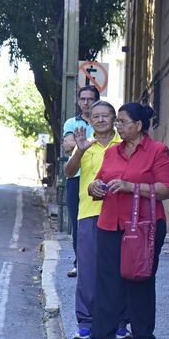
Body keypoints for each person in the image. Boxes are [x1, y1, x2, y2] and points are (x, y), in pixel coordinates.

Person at [81, 103, 169, 339]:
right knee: (107, 280)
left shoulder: (158, 151)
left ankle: (144, 336)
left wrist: (130, 186)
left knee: (141, 279)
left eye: (122, 122)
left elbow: (167, 189)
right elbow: (98, 179)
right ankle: (102, 335)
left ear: (138, 126)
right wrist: (95, 188)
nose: (118, 126)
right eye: (118, 122)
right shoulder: (112, 152)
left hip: (144, 225)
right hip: (109, 222)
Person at [64, 100, 131, 339]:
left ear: (114, 119)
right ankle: (86, 321)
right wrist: (80, 150)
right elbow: (69, 172)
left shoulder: (124, 144)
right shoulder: (84, 144)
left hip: (120, 211)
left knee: (121, 268)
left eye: (106, 115)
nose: (101, 119)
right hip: (89, 213)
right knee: (88, 270)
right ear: (89, 120)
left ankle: (122, 321)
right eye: (96, 116)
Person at [62, 85, 99, 277]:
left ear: (96, 100)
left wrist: (81, 143)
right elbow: (67, 146)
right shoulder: (71, 123)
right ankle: (79, 262)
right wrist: (92, 141)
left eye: (90, 99)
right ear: (78, 101)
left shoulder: (102, 120)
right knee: (78, 222)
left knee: (101, 221)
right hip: (77, 178)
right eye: (82, 99)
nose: (86, 103)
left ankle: (97, 261)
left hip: (99, 177)